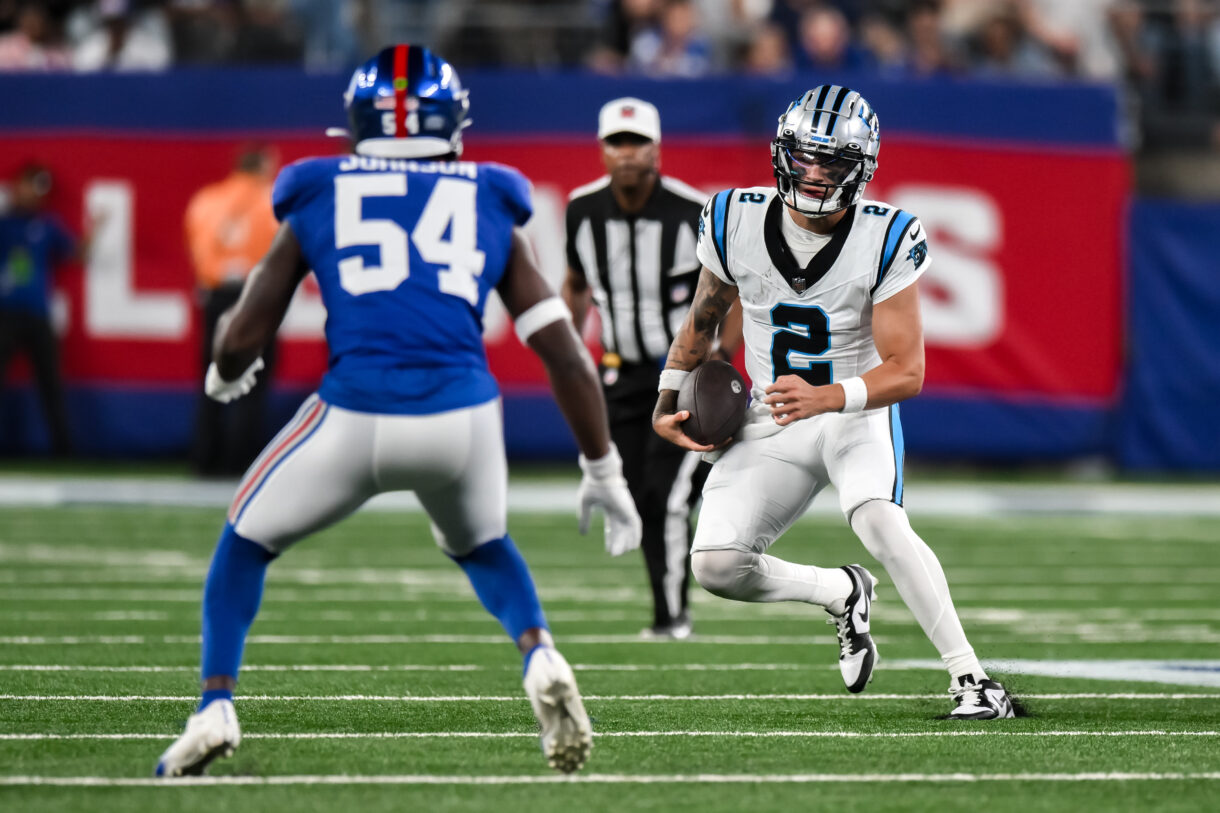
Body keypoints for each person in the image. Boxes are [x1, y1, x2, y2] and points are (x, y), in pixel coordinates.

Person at [155, 45, 643, 778]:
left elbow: (244, 331)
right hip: (463, 419)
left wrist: (227, 374)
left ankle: (215, 702)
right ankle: (538, 651)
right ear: (453, 121)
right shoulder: (488, 195)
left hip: (354, 413)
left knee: (244, 542)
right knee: (481, 543)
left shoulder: (316, 187)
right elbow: (567, 355)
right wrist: (603, 467)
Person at [652, 85, 1017, 719]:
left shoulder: (886, 235)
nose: (816, 175)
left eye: (834, 163)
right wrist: (666, 394)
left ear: (863, 169)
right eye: (805, 158)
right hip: (774, 417)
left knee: (878, 519)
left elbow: (907, 372)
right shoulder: (732, 217)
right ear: (781, 155)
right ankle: (839, 591)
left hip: (853, 413)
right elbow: (704, 320)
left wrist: (830, 396)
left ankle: (973, 681)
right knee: (714, 565)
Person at [562, 97, 739, 640]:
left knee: (664, 497)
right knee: (637, 495)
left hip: (681, 380)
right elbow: (574, 284)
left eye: (637, 142)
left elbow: (732, 296)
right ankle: (670, 606)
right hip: (617, 375)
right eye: (617, 142)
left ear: (657, 149)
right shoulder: (582, 210)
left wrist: (719, 363)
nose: (627, 153)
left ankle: (671, 618)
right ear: (602, 149)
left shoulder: (694, 211)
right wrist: (569, 351)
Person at [184, 143, 280, 477]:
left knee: (214, 376)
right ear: (263, 165)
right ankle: (240, 461)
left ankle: (204, 459)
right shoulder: (271, 198)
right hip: (256, 295)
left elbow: (196, 246)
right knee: (252, 383)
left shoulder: (207, 200)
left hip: (217, 296)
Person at [0, 163, 76, 456]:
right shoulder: (5, 223)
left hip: (37, 313)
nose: (35, 194)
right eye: (31, 186)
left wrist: (96, 230)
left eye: (40, 189)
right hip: (5, 314)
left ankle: (64, 449)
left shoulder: (47, 225)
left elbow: (74, 252)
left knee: (51, 384)